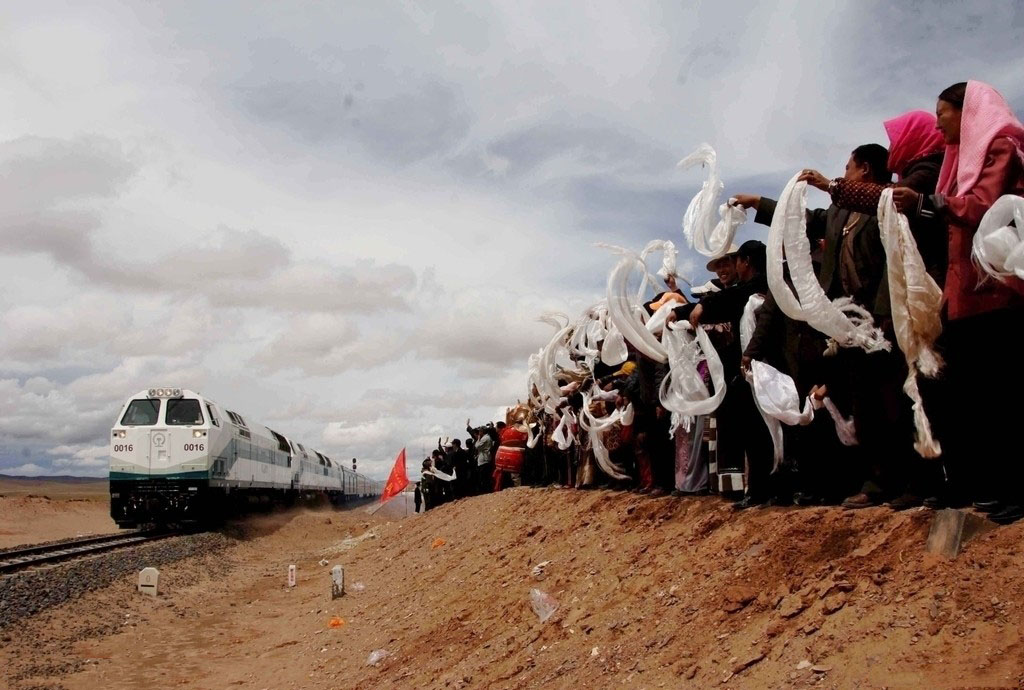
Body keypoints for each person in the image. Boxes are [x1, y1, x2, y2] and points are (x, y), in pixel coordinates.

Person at [895, 81, 1024, 522]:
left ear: (966, 112)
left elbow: (985, 203)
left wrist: (927, 202)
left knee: (1001, 394)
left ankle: (1014, 490)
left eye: (943, 113)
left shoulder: (1001, 149)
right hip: (963, 297)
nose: (937, 123)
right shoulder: (956, 162)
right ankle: (989, 486)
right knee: (975, 396)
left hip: (996, 292)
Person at [674, 240, 774, 508]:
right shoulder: (730, 294)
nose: (723, 271)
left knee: (757, 429)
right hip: (735, 373)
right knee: (742, 430)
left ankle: (763, 489)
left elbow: (723, 302)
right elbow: (710, 305)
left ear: (743, 262)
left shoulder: (755, 287)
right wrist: (675, 313)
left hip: (758, 368)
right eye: (717, 267)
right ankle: (748, 489)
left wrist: (696, 307)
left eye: (728, 263)